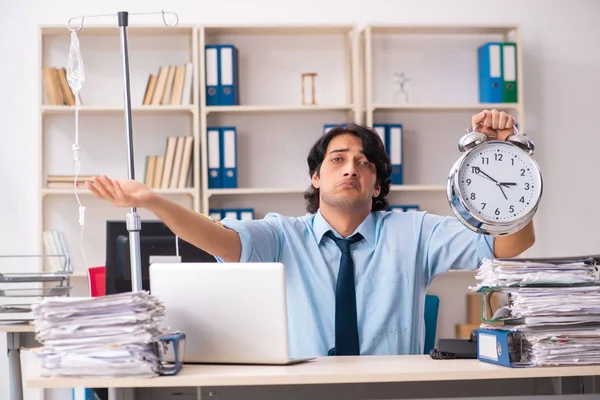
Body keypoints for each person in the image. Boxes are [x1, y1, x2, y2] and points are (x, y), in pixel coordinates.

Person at [87, 109, 534, 358]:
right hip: (304, 388)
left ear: (377, 185)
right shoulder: (281, 235)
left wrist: (504, 153)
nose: (351, 168)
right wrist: (152, 201)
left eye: (364, 162)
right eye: (337, 159)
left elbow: (512, 244)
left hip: (396, 389)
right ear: (316, 178)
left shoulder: (415, 229)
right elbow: (216, 239)